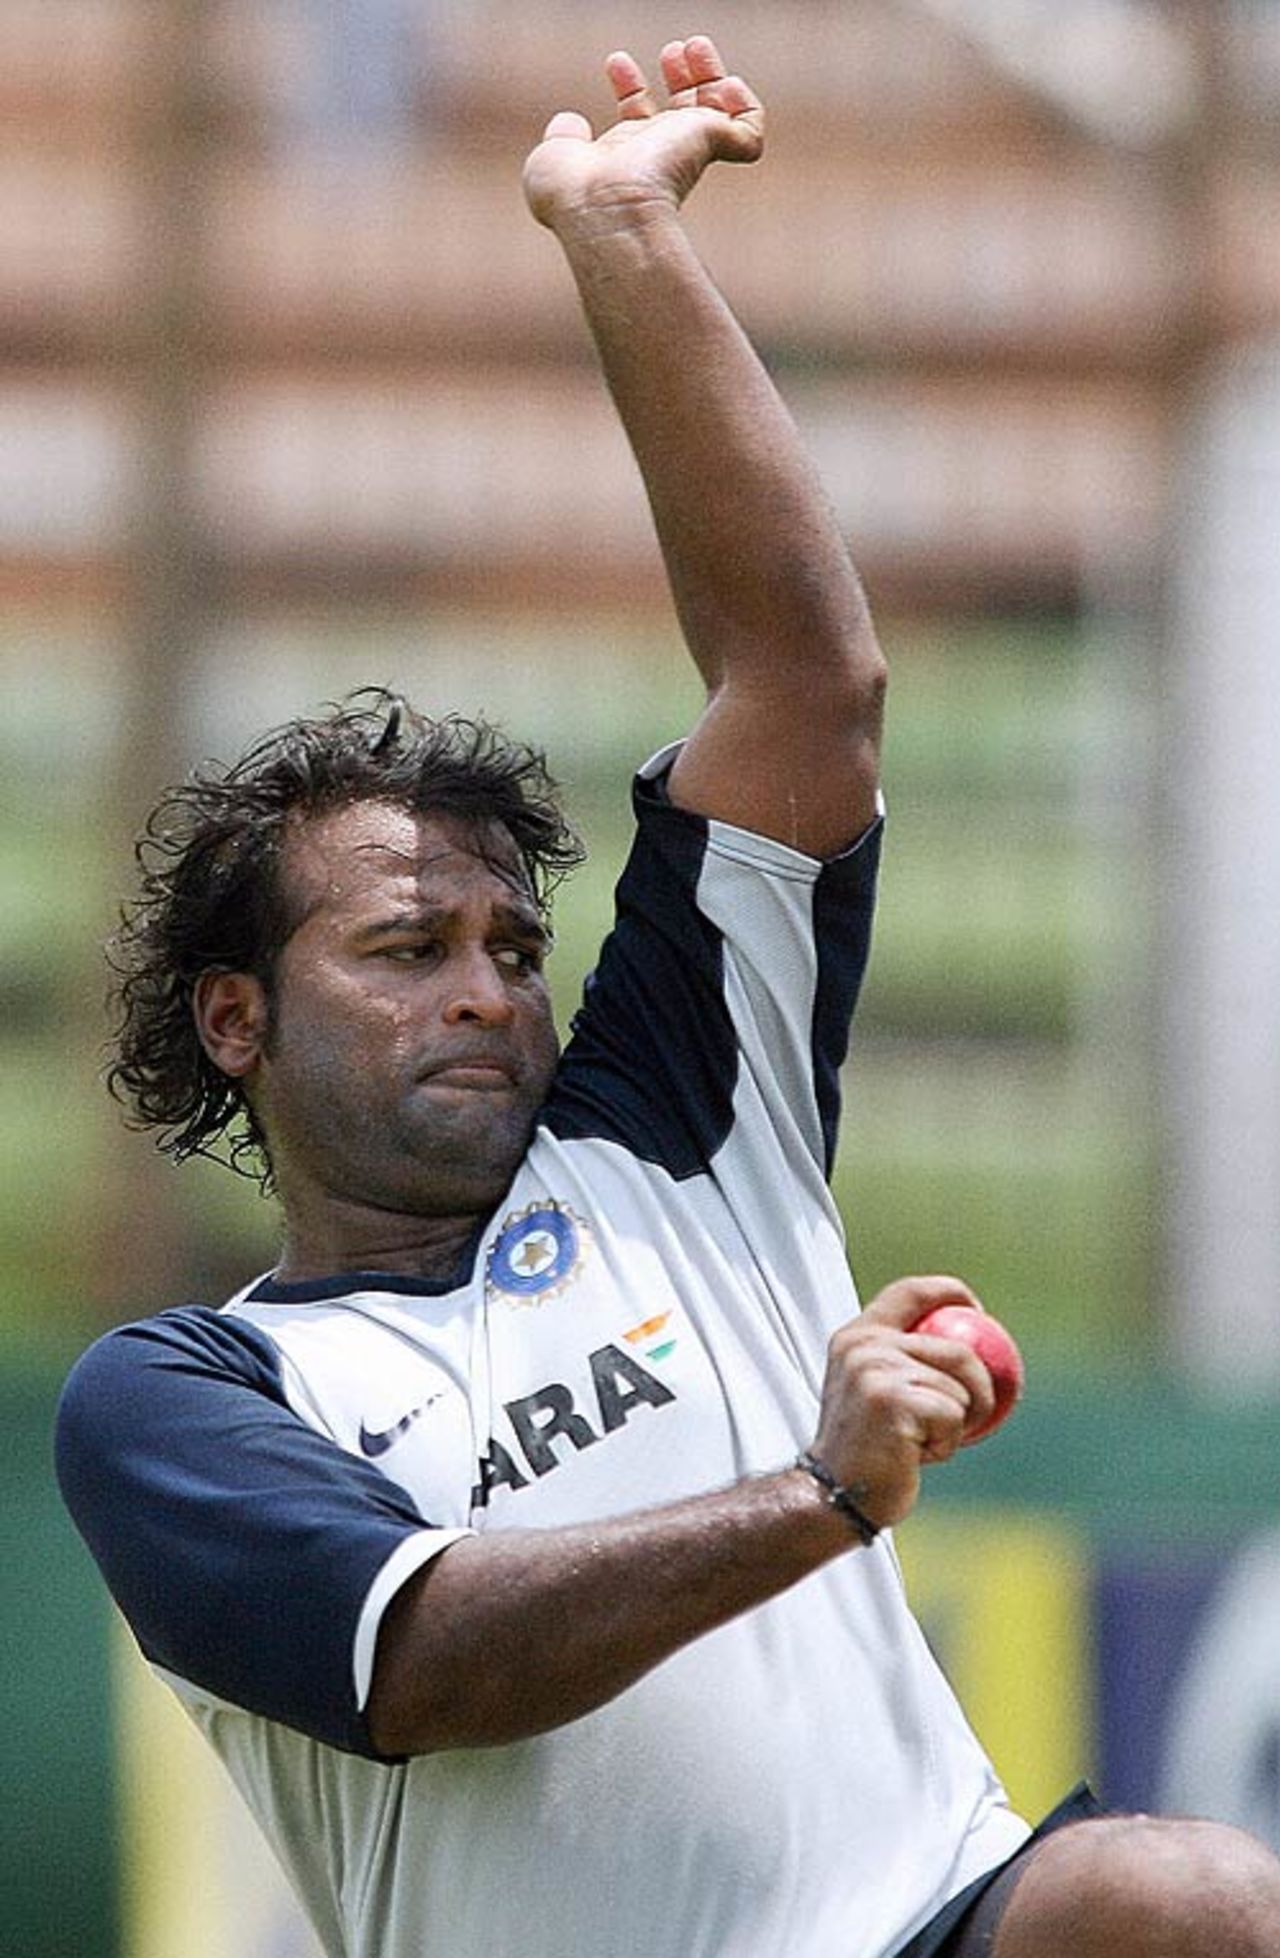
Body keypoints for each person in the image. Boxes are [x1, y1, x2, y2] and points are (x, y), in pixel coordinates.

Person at [56, 35, 1280, 1958]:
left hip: (933, 1917)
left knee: (1181, 1901)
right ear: (236, 1021)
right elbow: (432, 1659)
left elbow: (805, 686)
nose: (484, 991)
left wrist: (624, 234)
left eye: (512, 948)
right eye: (403, 950)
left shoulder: (671, 1119)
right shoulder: (185, 1396)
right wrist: (820, 1492)